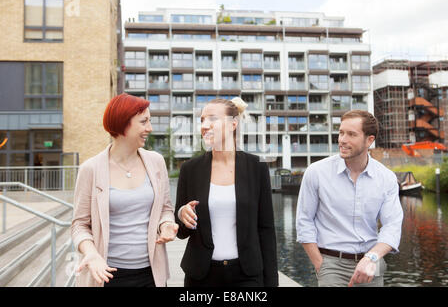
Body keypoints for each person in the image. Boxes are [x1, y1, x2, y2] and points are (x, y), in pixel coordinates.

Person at [71, 93, 178, 287]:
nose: (150, 128)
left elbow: (165, 208)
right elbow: (79, 224)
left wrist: (167, 224)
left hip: (151, 275)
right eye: (144, 121)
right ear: (123, 124)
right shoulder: (91, 169)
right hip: (107, 275)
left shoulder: (156, 162)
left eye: (150, 121)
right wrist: (92, 254)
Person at [175, 97, 278, 287]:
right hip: (201, 277)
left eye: (212, 119)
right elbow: (180, 231)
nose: (205, 126)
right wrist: (182, 215)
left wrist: (271, 283)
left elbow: (266, 230)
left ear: (233, 124)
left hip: (247, 276)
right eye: (202, 120)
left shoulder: (257, 167)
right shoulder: (190, 169)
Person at [296, 110, 403, 287]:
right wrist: (320, 265)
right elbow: (304, 221)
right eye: (341, 132)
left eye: (351, 134)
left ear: (369, 140)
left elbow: (392, 226)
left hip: (372, 262)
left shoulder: (387, 178)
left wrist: (372, 257)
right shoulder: (316, 173)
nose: (342, 140)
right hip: (331, 264)